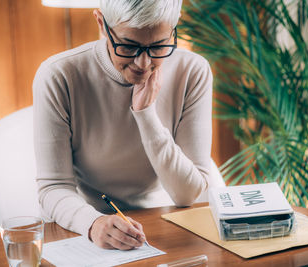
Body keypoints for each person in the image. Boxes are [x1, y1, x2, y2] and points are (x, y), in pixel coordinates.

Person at [33, 0, 215, 251]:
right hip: (88, 229)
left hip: (165, 226)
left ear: (173, 29)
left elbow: (187, 194)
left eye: (159, 46)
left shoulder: (193, 71)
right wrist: (93, 223)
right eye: (128, 46)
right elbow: (53, 188)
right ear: (101, 24)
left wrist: (146, 114)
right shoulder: (58, 76)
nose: (143, 64)